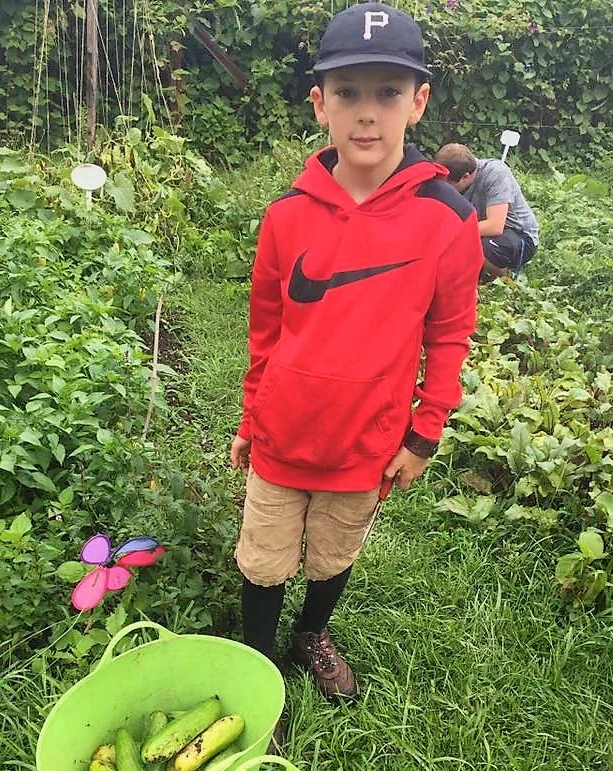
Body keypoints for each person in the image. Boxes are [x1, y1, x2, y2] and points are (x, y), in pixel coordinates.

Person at [229, 2, 483, 701]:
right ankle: (257, 668)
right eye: (347, 92)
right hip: (283, 435)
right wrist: (251, 418)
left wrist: (424, 434)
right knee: (263, 561)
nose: (367, 113)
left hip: (368, 441)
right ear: (320, 104)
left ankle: (312, 631)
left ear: (418, 102)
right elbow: (265, 332)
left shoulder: (449, 220)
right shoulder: (285, 216)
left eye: (388, 92)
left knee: (334, 553)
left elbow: (450, 334)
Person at [433, 143, 538, 278]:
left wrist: (450, 232)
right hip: (479, 231)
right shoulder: (449, 175)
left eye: (448, 186)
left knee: (477, 247)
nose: (443, 189)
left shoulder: (495, 173)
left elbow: (495, 226)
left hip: (518, 235)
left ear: (465, 177)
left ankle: (503, 281)